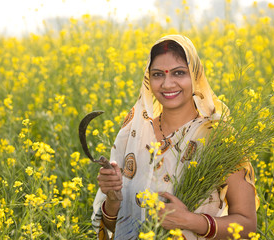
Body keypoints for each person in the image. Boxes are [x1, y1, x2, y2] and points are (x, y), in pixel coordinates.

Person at [92, 35, 259, 239]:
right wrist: (113, 198)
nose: (167, 83)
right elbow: (112, 225)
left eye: (179, 73)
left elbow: (247, 225)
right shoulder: (132, 134)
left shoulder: (220, 138)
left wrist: (190, 221)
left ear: (196, 76)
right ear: (148, 79)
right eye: (158, 74)